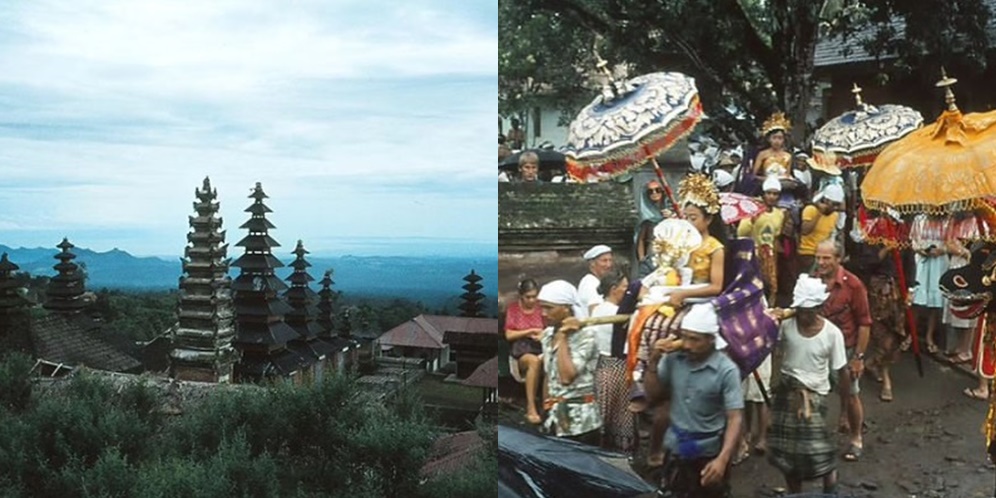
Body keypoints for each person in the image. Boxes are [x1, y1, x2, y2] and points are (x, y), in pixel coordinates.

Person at [644, 303, 744, 498]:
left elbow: (735, 418)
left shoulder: (726, 370)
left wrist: (722, 460)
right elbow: (653, 396)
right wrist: (653, 362)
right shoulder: (673, 360)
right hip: (676, 449)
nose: (687, 345)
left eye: (694, 339)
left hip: (708, 453)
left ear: (711, 340)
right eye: (685, 337)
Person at [768, 274, 847, 494]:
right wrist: (770, 320)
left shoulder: (832, 334)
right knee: (787, 454)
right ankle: (795, 493)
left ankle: (830, 488)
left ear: (820, 307)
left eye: (809, 310)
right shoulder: (786, 326)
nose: (804, 315)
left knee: (819, 450)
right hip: (787, 393)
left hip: (815, 397)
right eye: (801, 310)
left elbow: (843, 374)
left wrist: (844, 412)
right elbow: (765, 341)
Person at [813, 239, 871, 462]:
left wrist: (858, 357)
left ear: (839, 259)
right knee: (816, 393)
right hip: (819, 347)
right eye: (818, 257)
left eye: (826, 258)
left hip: (845, 347)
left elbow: (865, 322)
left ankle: (856, 438)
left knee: (851, 394)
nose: (821, 262)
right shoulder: (813, 280)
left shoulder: (853, 285)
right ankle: (817, 440)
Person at [537, 280, 602, 443]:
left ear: (565, 308)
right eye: (542, 307)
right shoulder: (547, 335)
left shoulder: (587, 335)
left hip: (582, 421)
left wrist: (563, 337)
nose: (544, 313)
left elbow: (566, 377)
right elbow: (549, 374)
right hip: (554, 418)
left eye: (549, 308)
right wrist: (545, 407)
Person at [850, 242, 906, 402]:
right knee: (883, 338)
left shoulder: (903, 238)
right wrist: (886, 250)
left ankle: (873, 362)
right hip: (876, 294)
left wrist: (910, 289)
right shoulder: (871, 239)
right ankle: (886, 381)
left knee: (896, 337)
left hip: (898, 294)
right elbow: (864, 264)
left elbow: (909, 265)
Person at [591, 270, 637, 452]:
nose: (627, 291)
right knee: (621, 409)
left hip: (602, 365)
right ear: (613, 289)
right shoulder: (618, 313)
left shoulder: (597, 310)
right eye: (624, 287)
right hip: (617, 365)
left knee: (605, 408)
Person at [737, 176, 787, 303]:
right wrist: (752, 218)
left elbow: (776, 237)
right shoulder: (753, 210)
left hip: (769, 254)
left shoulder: (779, 214)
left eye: (775, 194)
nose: (771, 197)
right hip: (754, 252)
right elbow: (741, 232)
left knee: (771, 286)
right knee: (753, 285)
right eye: (768, 193)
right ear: (763, 194)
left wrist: (775, 259)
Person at [504, 278, 545, 424]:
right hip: (521, 350)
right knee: (533, 361)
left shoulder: (541, 308)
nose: (532, 300)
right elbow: (509, 334)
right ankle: (531, 406)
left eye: (534, 296)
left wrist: (541, 335)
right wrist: (529, 332)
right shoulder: (514, 309)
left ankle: (547, 405)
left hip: (540, 346)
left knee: (547, 360)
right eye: (528, 297)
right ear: (521, 296)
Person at [910, 214, 948, 355]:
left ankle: (929, 336)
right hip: (922, 261)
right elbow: (913, 241)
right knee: (916, 300)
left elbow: (951, 242)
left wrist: (941, 250)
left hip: (939, 263)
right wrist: (921, 250)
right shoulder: (919, 219)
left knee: (935, 303)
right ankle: (911, 334)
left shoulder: (947, 221)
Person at [798, 184, 844, 273]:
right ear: (826, 201)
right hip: (808, 253)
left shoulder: (835, 215)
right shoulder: (811, 210)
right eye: (833, 204)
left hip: (825, 254)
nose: (835, 208)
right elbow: (805, 231)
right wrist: (819, 213)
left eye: (837, 205)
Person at [636, 180, 675, 278]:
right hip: (652, 253)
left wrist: (672, 218)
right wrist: (642, 259)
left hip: (669, 254)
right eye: (651, 191)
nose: (654, 193)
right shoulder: (647, 215)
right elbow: (641, 239)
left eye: (657, 190)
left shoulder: (672, 211)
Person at [752, 113, 794, 179]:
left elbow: (787, 175)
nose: (777, 141)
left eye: (780, 138)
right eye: (774, 138)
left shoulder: (788, 156)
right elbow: (754, 175)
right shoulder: (762, 154)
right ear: (769, 139)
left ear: (783, 140)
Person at [578, 244, 614, 314]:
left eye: (610, 260)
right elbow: (595, 311)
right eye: (604, 261)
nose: (609, 265)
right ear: (592, 263)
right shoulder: (590, 283)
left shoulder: (598, 281)